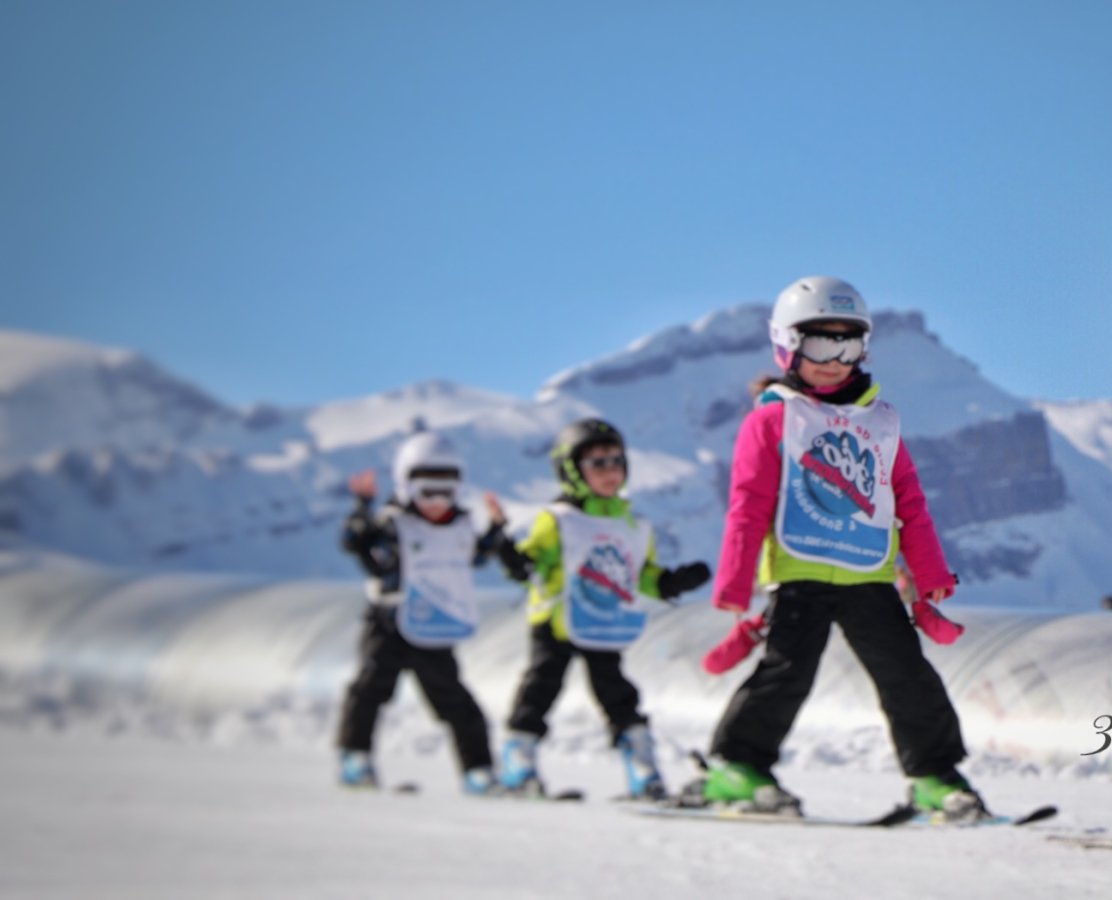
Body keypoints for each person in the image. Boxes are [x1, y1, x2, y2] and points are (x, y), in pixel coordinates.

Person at [692, 276, 978, 819]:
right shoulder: (772, 419)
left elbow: (908, 503)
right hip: (798, 573)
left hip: (868, 576)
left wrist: (929, 572)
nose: (834, 358)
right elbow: (748, 503)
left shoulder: (881, 422)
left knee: (908, 676)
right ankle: (736, 766)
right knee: (786, 672)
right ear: (788, 344)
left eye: (848, 344)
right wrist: (733, 581)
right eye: (820, 343)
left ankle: (934, 776)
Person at [492, 419, 710, 799]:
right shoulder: (557, 520)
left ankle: (644, 770)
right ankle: (518, 761)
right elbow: (533, 564)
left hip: (604, 619)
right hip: (557, 620)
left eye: (616, 461)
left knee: (618, 693)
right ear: (571, 472)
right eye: (597, 464)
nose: (610, 471)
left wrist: (669, 582)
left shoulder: (632, 523)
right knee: (541, 686)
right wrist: (511, 556)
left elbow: (637, 572)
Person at [336, 431, 505, 794]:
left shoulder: (460, 525)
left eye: (446, 491)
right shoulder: (392, 523)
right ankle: (355, 759)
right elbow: (357, 544)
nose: (437, 502)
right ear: (405, 484)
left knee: (456, 700)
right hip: (388, 620)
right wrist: (362, 509)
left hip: (433, 621)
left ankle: (479, 772)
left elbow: (472, 557)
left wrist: (496, 530)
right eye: (427, 492)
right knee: (369, 690)